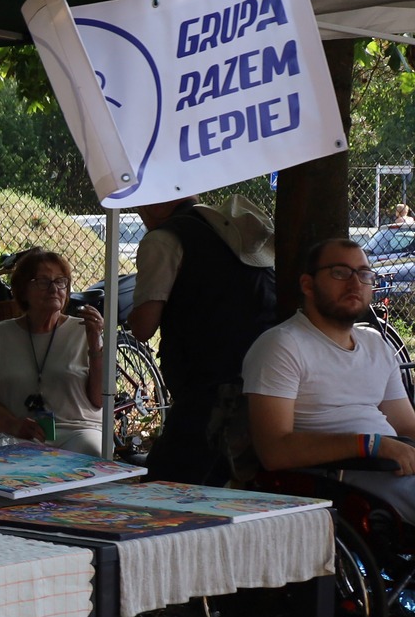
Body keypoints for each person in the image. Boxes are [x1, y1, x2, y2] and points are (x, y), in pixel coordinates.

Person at [244, 237, 415, 515]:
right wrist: (370, 445)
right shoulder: (282, 345)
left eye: (363, 274)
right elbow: (273, 450)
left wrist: (384, 448)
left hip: (393, 467)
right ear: (307, 285)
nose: (355, 283)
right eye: (340, 272)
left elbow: (407, 427)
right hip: (339, 478)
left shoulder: (377, 346)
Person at [127, 193, 277, 482]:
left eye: (141, 204)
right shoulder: (227, 235)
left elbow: (143, 328)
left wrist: (131, 315)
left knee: (166, 485)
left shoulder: (165, 239)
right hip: (265, 380)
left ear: (156, 202)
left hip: (211, 390)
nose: (140, 211)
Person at [0, 248, 106, 455]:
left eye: (60, 281)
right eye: (43, 281)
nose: (54, 289)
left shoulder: (84, 331)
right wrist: (14, 424)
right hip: (17, 434)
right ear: (23, 290)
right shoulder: (0, 334)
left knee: (89, 451)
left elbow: (100, 400)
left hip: (77, 430)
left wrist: (96, 346)